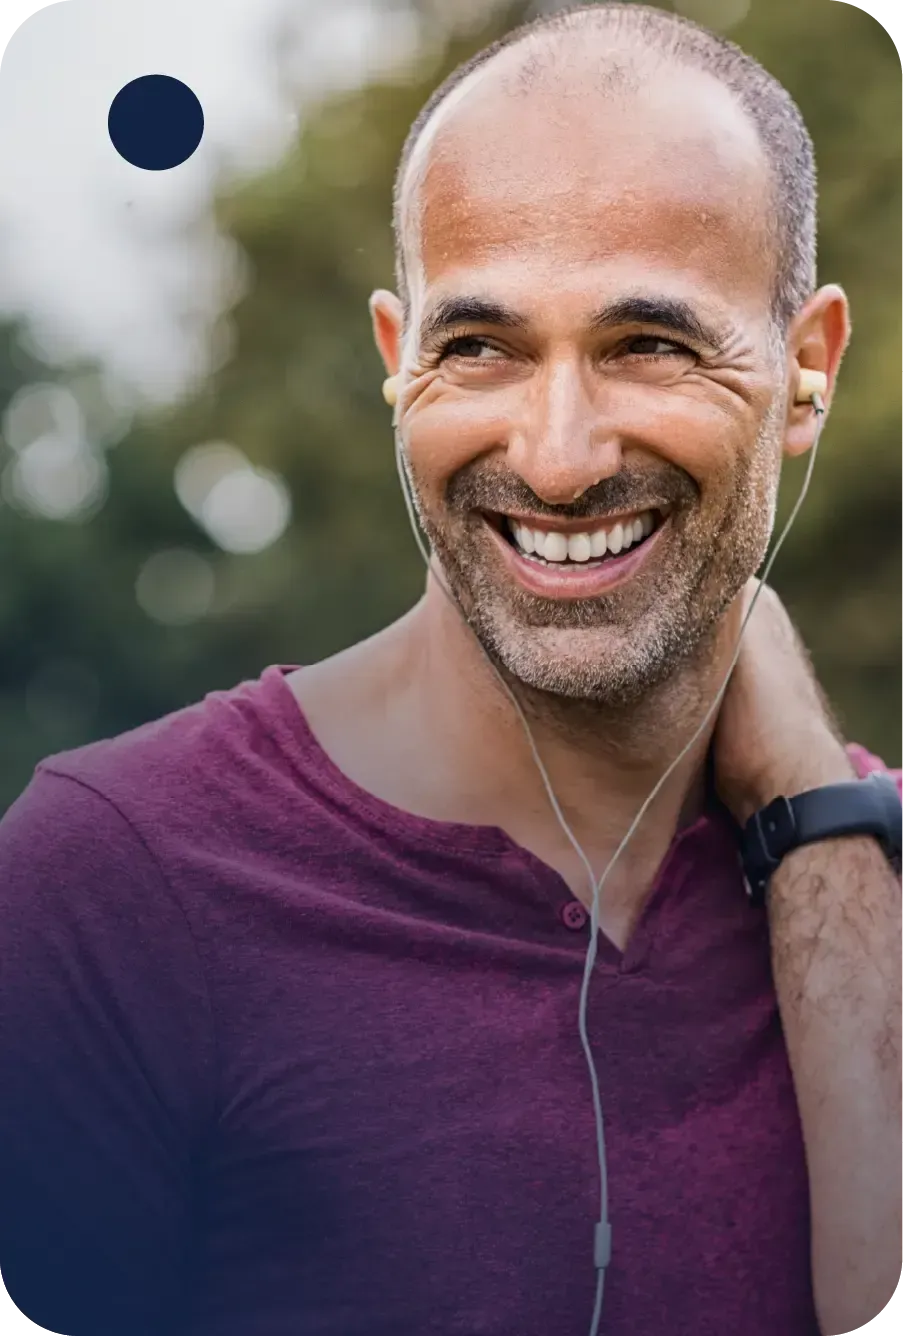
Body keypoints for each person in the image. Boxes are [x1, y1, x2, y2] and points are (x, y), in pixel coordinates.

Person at [1, 4, 900, 1336]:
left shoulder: (869, 886)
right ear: (394, 361)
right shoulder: (115, 885)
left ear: (806, 368)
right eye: (478, 347)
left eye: (647, 343)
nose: (553, 455)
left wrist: (819, 833)